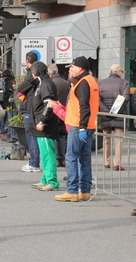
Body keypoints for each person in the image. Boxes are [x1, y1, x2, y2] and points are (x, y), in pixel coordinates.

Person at [54, 56, 99, 202]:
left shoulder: (83, 83)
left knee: (71, 157)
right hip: (88, 125)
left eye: (72, 67)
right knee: (85, 158)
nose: (70, 69)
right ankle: (85, 191)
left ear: (80, 68)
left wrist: (81, 128)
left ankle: (72, 190)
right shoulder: (90, 81)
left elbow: (83, 106)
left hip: (78, 124)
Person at [28, 61, 59, 191]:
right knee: (45, 153)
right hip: (41, 123)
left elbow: (49, 104)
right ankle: (46, 178)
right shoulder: (43, 83)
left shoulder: (45, 84)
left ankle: (52, 181)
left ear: (35, 73)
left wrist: (43, 121)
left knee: (48, 153)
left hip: (45, 125)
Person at [98, 64, 130, 171]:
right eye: (122, 72)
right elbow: (125, 98)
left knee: (106, 138)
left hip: (105, 114)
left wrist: (106, 111)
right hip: (119, 114)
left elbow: (98, 100)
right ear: (119, 72)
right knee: (118, 140)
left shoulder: (101, 83)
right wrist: (115, 111)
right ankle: (117, 163)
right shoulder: (124, 83)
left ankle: (106, 162)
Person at [18, 52, 41, 173]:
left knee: (31, 135)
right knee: (32, 135)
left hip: (30, 107)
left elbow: (21, 87)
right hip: (33, 106)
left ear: (27, 60)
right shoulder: (37, 72)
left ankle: (34, 162)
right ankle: (33, 161)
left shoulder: (31, 73)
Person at [48, 63, 69, 167]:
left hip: (55, 112)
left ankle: (56, 159)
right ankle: (62, 158)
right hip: (64, 112)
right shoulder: (65, 82)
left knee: (53, 137)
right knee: (62, 137)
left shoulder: (51, 83)